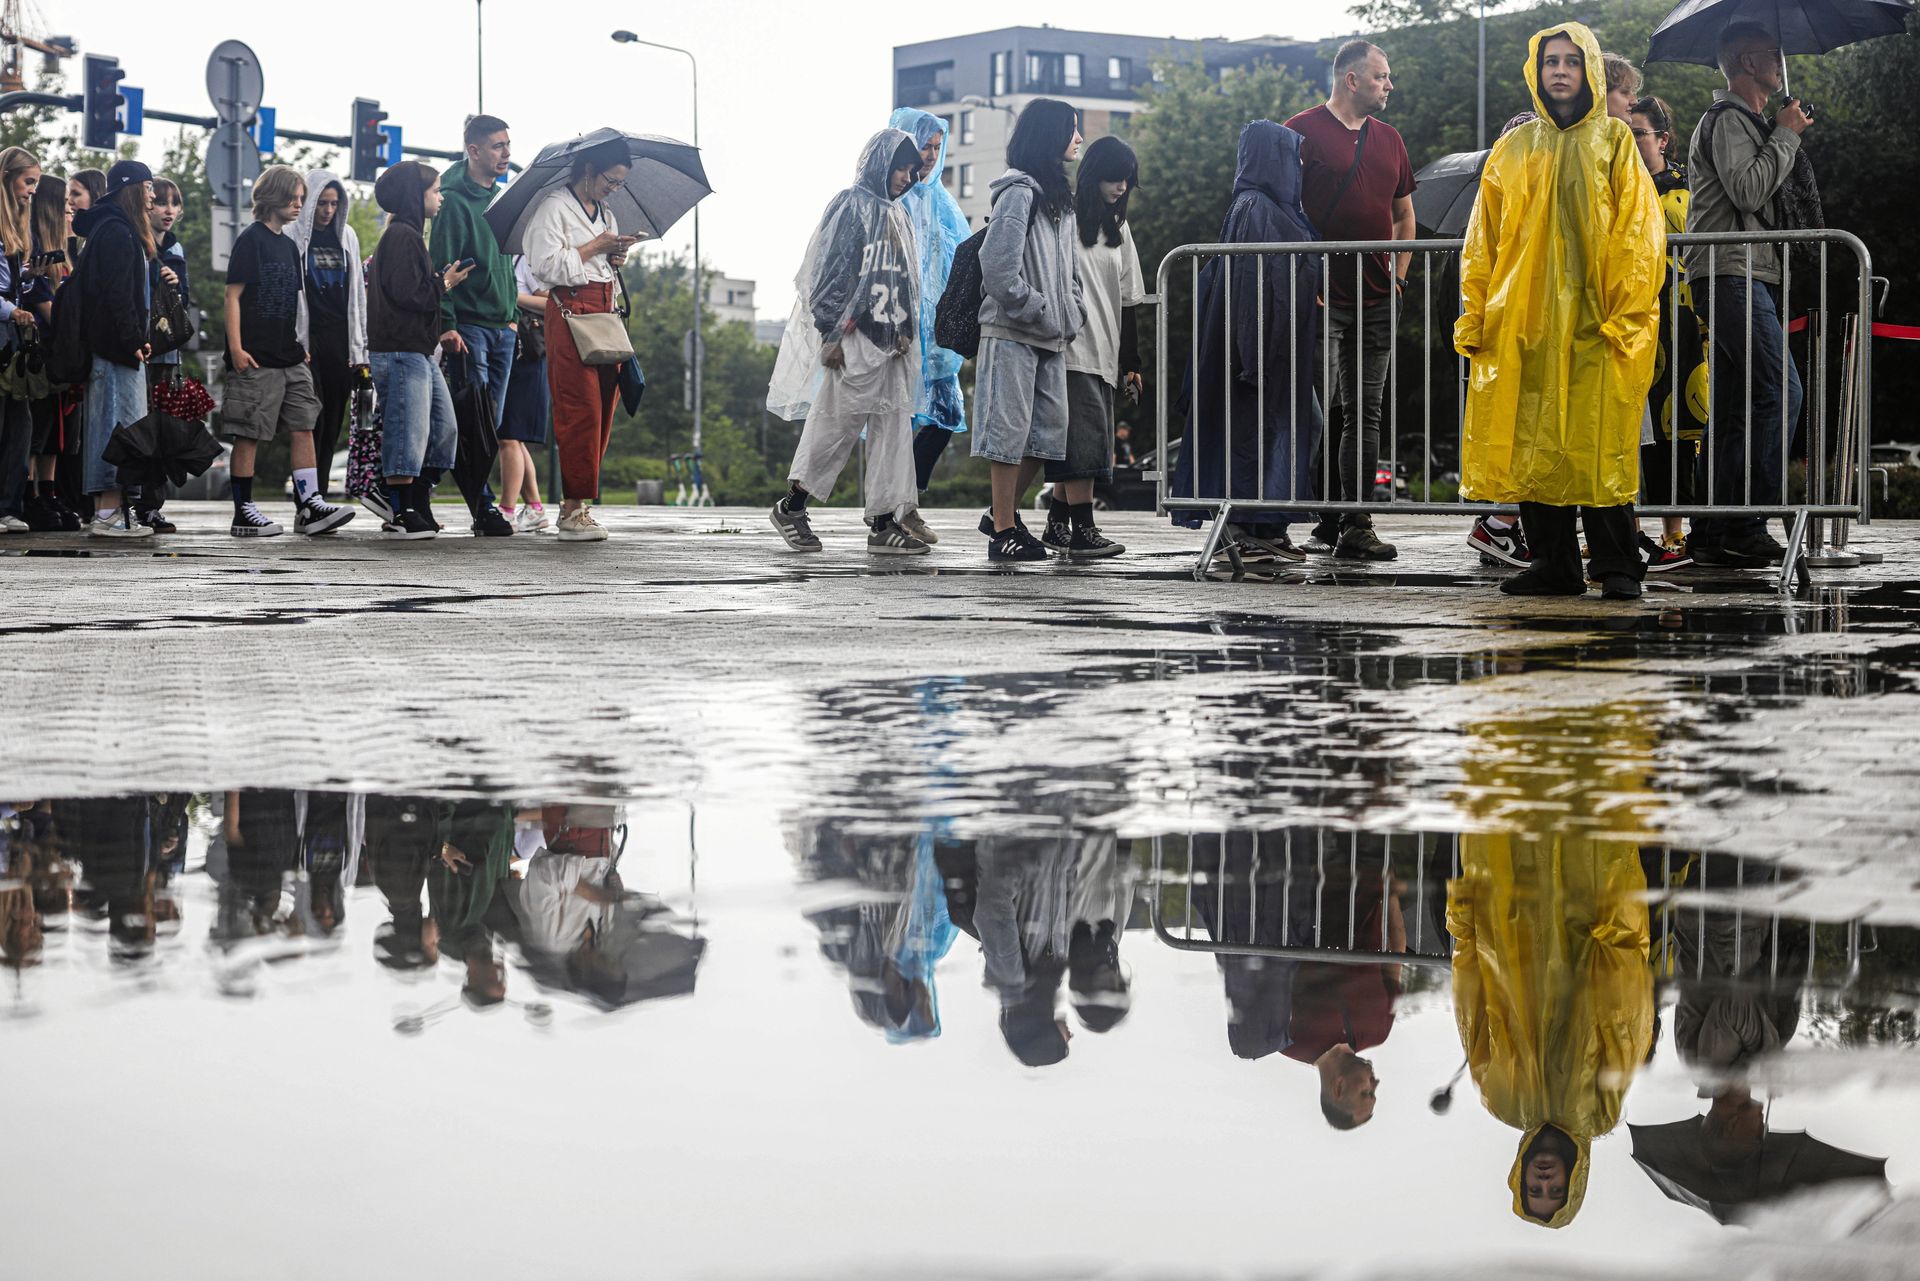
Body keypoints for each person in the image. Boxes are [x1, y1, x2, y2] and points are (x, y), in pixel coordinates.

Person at [1456, 24, 1664, 600]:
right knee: (1536, 442)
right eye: (1551, 60)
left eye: (1573, 60)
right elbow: (1485, 241)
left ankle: (1618, 564)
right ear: (1537, 69)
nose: (1560, 70)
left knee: (1600, 443)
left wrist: (1627, 313)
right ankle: (1554, 563)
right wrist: (1476, 315)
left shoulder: (1617, 143)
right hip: (1525, 324)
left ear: (1590, 69)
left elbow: (1639, 235)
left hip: (1600, 323)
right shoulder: (1513, 150)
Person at [1683, 21, 1813, 568]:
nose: (1782, 60)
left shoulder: (1746, 121)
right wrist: (1785, 134)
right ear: (1744, 61)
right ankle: (1747, 520)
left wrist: (1779, 131)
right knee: (1781, 391)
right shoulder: (1729, 118)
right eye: (1772, 52)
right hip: (1731, 271)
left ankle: (1713, 530)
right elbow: (1749, 189)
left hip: (1740, 271)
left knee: (1736, 404)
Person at [765, 128, 928, 555]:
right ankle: (792, 505)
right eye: (899, 168)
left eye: (911, 171)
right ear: (880, 163)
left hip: (894, 342)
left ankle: (883, 522)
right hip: (856, 337)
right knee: (836, 425)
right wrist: (830, 333)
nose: (905, 177)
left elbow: (907, 280)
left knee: (894, 432)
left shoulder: (899, 215)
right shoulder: (850, 205)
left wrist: (908, 328)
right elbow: (829, 273)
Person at [1167, 121, 1322, 564]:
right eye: (1291, 157)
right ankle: (1247, 528)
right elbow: (1252, 286)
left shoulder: (1271, 207)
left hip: (1272, 353)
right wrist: (1252, 357)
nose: (1297, 167)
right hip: (1258, 357)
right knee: (1269, 434)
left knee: (1288, 429)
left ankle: (1265, 525)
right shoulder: (1255, 207)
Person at [1285, 41, 1416, 562]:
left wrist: (1399, 279)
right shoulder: (1299, 131)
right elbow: (1279, 214)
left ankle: (1356, 522)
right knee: (1312, 411)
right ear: (1352, 80)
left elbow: (1405, 218)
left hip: (1377, 297)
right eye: (1382, 76)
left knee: (1365, 412)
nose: (1390, 85)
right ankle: (1312, 516)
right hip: (1318, 297)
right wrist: (1300, 277)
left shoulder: (1390, 140)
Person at [972, 98, 1085, 562]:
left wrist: (1072, 310)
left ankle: (1000, 514)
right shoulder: (1019, 193)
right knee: (1008, 432)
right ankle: (1003, 529)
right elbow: (996, 268)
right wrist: (1037, 307)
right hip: (1013, 331)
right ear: (1049, 135)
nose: (1078, 139)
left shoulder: (1060, 197)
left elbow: (1071, 270)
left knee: (1046, 437)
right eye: (1071, 130)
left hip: (1052, 336)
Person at [221, 164, 354, 538]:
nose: (300, 205)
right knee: (250, 431)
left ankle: (311, 504)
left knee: (304, 424)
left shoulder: (289, 244)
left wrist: (300, 345)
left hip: (290, 355)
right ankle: (243, 510)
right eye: (294, 199)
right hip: (255, 355)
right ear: (273, 198)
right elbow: (233, 297)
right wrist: (236, 349)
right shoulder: (252, 240)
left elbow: (294, 303)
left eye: (301, 199)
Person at [524, 137, 635, 542]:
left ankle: (582, 502)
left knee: (605, 405)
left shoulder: (605, 212)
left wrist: (616, 255)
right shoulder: (554, 206)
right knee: (580, 406)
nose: (614, 189)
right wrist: (595, 247)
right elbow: (545, 266)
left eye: (620, 184)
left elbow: (602, 263)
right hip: (570, 311)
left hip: (604, 310)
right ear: (589, 171)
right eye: (611, 180)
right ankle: (571, 508)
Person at [1047, 134, 1141, 559]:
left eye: (1126, 180)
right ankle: (1084, 530)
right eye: (1113, 178)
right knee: (1084, 442)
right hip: (1070, 346)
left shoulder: (1119, 229)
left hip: (1106, 348)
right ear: (1093, 175)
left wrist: (1131, 361)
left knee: (1081, 442)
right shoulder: (1063, 216)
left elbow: (1130, 299)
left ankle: (1055, 525)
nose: (1120, 187)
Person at [367, 161, 472, 540]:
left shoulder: (411, 235)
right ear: (416, 195)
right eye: (434, 191)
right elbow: (407, 293)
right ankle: (399, 508)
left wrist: (439, 282)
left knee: (444, 429)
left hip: (418, 349)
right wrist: (443, 283)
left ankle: (418, 499)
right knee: (406, 429)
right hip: (398, 349)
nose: (440, 197)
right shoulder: (400, 236)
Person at [887, 107, 971, 545]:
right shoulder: (891, 195)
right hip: (895, 327)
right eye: (925, 146)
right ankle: (894, 512)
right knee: (893, 420)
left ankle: (907, 503)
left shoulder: (941, 200)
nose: (930, 156)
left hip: (935, 332)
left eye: (938, 148)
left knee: (946, 414)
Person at [430, 114, 517, 536]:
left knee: (492, 422)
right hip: (469, 328)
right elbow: (440, 268)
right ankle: (483, 508)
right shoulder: (452, 202)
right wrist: (447, 324)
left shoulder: (500, 199)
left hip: (503, 326)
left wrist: (514, 317)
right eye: (498, 146)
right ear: (474, 151)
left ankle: (473, 501)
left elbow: (506, 264)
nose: (506, 153)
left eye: (508, 144)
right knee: (475, 422)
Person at [1632, 94, 1704, 573]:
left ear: (1662, 138)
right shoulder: (1620, 186)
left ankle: (1675, 533)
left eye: (1638, 133)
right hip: (1635, 322)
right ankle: (1625, 529)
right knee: (1634, 434)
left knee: (1679, 425)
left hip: (1681, 322)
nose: (1632, 141)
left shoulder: (1684, 187)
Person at [71, 160, 156, 538]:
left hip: (114, 348)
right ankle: (108, 515)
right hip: (116, 350)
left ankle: (113, 512)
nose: (153, 194)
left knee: (116, 426)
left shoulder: (109, 229)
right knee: (115, 428)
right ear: (134, 189)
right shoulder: (119, 233)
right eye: (149, 187)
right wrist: (134, 340)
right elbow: (120, 296)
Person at [287, 169, 368, 502]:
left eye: (334, 204)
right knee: (309, 417)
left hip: (340, 338)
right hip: (307, 338)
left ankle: (318, 495)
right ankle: (306, 499)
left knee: (334, 416)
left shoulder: (346, 236)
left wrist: (360, 349)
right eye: (322, 203)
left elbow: (358, 295)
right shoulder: (293, 234)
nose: (328, 210)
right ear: (309, 201)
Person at [21, 171, 77, 532]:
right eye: (66, 202)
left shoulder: (64, 254)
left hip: (58, 354)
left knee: (55, 431)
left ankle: (49, 492)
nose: (71, 208)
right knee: (37, 429)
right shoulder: (34, 248)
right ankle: (30, 495)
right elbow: (47, 306)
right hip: (39, 351)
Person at [134, 176, 189, 533]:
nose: (168, 210)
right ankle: (130, 499)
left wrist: (175, 283)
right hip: (139, 351)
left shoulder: (176, 249)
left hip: (166, 353)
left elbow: (183, 299)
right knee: (137, 426)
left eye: (175, 203)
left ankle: (152, 504)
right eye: (162, 202)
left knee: (162, 431)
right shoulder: (135, 242)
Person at [0, 146, 40, 535]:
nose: (31, 190)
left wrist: (28, 277)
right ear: (7, 177)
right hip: (4, 329)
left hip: (13, 333)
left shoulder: (16, 228)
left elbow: (10, 284)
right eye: (28, 181)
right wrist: (10, 310)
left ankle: (8, 506)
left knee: (19, 423)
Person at [495, 254, 550, 531]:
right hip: (513, 353)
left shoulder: (527, 261)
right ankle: (535, 507)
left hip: (526, 353)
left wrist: (511, 296)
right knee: (513, 437)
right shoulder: (507, 260)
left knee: (509, 435)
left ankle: (506, 509)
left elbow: (550, 302)